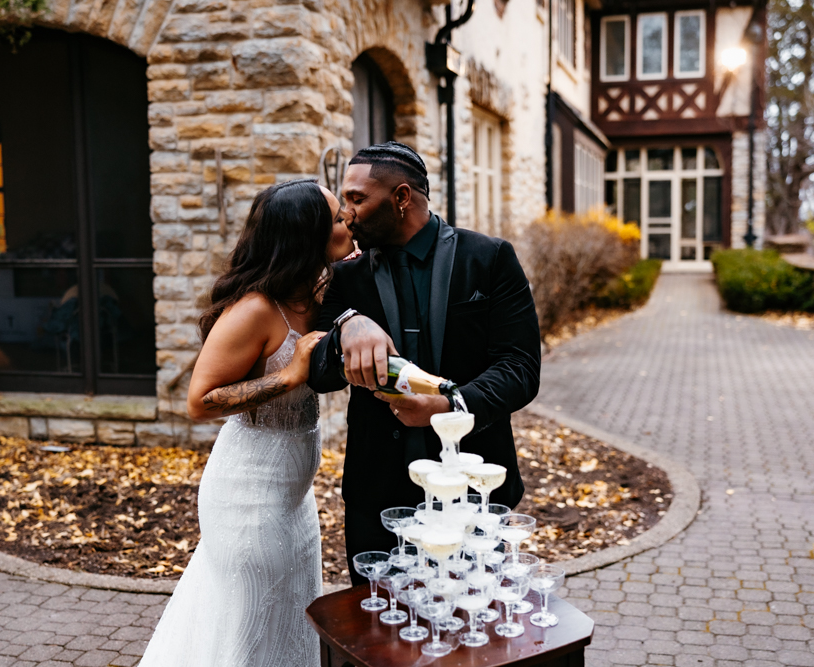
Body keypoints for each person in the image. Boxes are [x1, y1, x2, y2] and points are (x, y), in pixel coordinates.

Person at [139, 179, 354, 667]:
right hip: (248, 499)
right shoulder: (255, 309)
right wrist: (290, 376)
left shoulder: (316, 293)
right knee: (251, 622)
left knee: (290, 619)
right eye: (338, 220)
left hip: (294, 501)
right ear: (307, 236)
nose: (349, 225)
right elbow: (199, 401)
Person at [307, 141, 541, 584]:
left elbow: (520, 367)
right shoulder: (345, 276)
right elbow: (318, 372)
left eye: (358, 198)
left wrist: (450, 407)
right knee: (382, 629)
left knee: (470, 623)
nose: (348, 212)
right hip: (378, 494)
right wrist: (347, 325)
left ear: (400, 198)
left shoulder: (489, 259)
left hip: (473, 485)